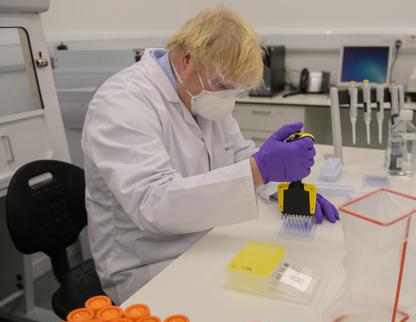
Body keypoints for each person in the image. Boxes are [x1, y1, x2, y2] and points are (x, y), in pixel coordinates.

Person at [82, 6, 339, 303]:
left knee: (300, 288)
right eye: (221, 85)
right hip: (148, 263)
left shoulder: (201, 95)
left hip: (206, 239)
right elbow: (153, 203)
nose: (225, 97)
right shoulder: (122, 102)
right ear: (188, 57)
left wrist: (281, 187)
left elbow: (237, 152)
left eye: (235, 89)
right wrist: (260, 170)